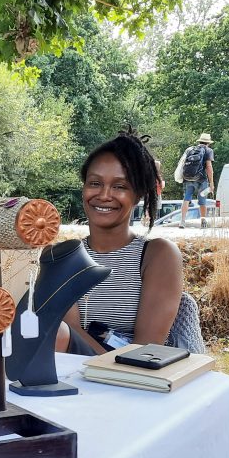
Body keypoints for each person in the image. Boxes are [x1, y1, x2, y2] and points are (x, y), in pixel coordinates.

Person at [57, 132, 184, 355]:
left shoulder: (158, 255)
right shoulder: (63, 257)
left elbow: (144, 350)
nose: (104, 195)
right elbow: (68, 333)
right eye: (95, 183)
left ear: (138, 195)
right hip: (67, 371)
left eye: (120, 186)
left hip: (131, 373)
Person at [177, 132, 215, 228]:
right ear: (208, 143)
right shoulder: (208, 150)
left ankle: (182, 221)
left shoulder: (189, 149)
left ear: (199, 141)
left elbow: (182, 163)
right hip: (202, 180)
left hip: (188, 178)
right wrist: (211, 183)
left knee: (186, 199)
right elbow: (209, 167)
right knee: (202, 201)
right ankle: (203, 221)